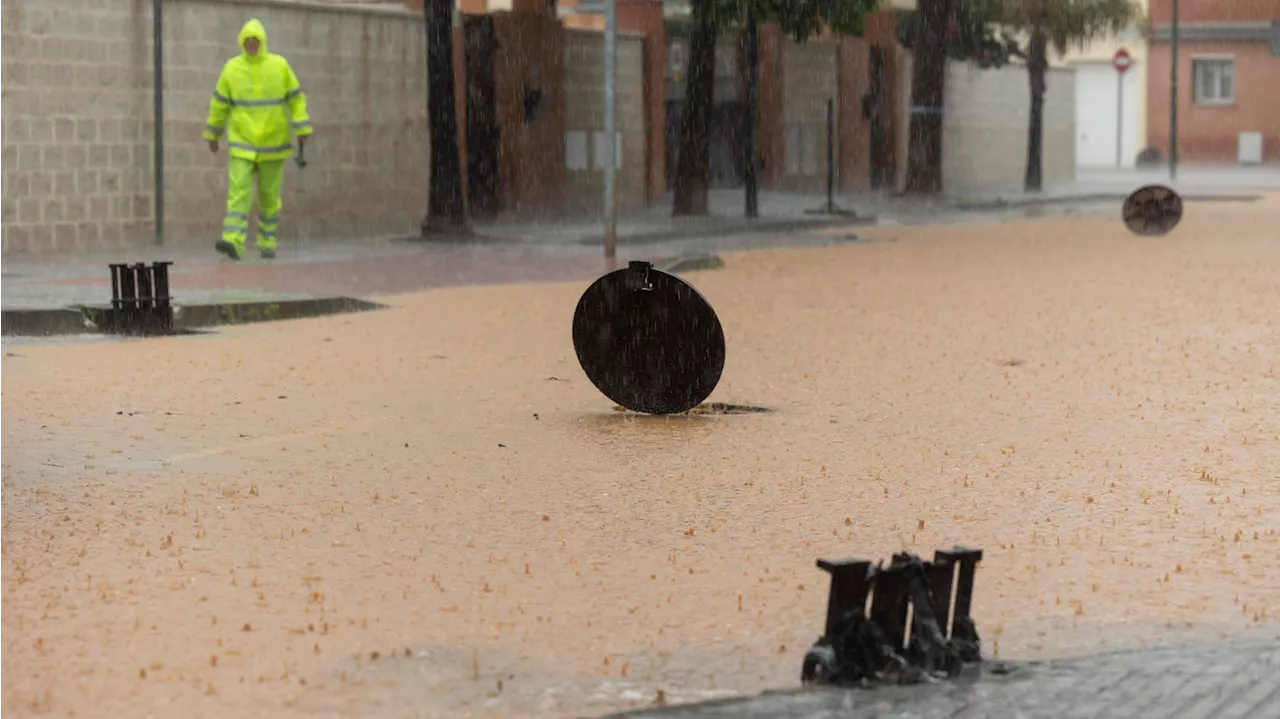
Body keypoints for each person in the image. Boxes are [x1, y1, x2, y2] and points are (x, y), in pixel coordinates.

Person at [202, 18, 313, 261]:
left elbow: (296, 98)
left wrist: (302, 127)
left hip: (273, 144)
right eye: (247, 41)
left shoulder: (279, 66)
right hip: (242, 143)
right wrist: (213, 133)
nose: (251, 44)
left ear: (262, 42)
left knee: (269, 197)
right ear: (242, 42)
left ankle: (267, 242)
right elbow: (219, 104)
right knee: (238, 193)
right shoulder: (232, 69)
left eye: (255, 41)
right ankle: (233, 241)